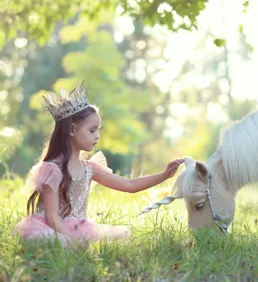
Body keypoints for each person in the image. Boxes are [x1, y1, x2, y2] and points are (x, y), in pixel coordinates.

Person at [12, 81, 184, 246]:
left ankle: (74, 243)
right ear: (72, 130)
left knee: (122, 235)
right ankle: (66, 244)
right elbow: (52, 217)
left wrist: (163, 175)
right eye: (92, 130)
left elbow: (129, 184)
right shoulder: (52, 169)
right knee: (56, 241)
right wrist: (72, 241)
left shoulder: (89, 169)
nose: (97, 136)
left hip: (80, 229)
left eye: (98, 130)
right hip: (51, 228)